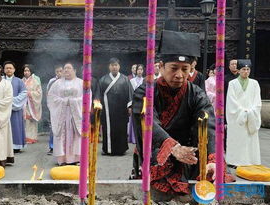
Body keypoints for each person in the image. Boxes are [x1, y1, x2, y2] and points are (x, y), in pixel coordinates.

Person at [132, 30, 235, 194]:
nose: (179, 75)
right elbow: (148, 121)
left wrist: (213, 158)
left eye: (185, 69)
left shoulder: (197, 94)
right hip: (158, 151)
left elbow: (208, 125)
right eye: (174, 68)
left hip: (189, 153)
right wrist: (172, 147)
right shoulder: (144, 92)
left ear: (191, 68)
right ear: (161, 67)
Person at [226, 59, 261, 167]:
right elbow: (231, 101)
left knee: (250, 140)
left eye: (248, 69)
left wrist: (251, 111)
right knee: (236, 139)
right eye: (243, 69)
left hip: (251, 115)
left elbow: (257, 101)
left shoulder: (255, 83)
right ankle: (234, 161)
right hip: (237, 116)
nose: (246, 71)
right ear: (239, 70)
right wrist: (242, 111)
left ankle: (251, 161)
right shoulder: (232, 83)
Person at [47, 62, 83, 165]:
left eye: (69, 68)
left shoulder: (81, 83)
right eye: (65, 68)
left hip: (76, 113)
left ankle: (76, 158)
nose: (66, 70)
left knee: (76, 134)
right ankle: (62, 159)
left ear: (75, 70)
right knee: (62, 134)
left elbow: (86, 98)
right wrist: (63, 101)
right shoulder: (57, 83)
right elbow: (51, 97)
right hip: (62, 113)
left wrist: (73, 101)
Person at [98, 58, 133, 155]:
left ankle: (121, 149)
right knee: (107, 129)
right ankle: (107, 149)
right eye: (112, 65)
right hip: (107, 110)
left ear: (119, 66)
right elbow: (99, 95)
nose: (114, 67)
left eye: (116, 65)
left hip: (121, 110)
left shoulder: (125, 79)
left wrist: (129, 107)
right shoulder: (103, 79)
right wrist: (98, 106)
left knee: (121, 129)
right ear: (109, 67)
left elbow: (130, 94)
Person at [3, 61, 27, 153]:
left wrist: (11, 101)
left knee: (15, 126)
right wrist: (4, 103)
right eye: (7, 68)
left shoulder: (19, 81)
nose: (9, 69)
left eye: (10, 68)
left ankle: (16, 146)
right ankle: (4, 147)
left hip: (15, 109)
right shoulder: (0, 80)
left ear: (14, 69)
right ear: (4, 70)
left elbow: (24, 93)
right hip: (3, 109)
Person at [22, 64, 42, 144]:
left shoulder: (36, 80)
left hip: (32, 103)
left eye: (28, 71)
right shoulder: (21, 80)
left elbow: (39, 92)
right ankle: (25, 137)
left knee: (31, 121)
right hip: (24, 104)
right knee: (25, 121)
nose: (26, 72)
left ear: (31, 71)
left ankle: (32, 137)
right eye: (25, 71)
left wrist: (29, 93)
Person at [46, 65, 64, 155]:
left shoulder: (68, 81)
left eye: (61, 71)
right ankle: (52, 147)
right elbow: (48, 94)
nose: (59, 73)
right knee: (53, 127)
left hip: (65, 107)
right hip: (54, 108)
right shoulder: (52, 81)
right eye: (57, 71)